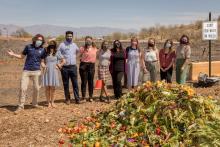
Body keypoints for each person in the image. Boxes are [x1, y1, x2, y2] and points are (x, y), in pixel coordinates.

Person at [7, 34, 46, 113]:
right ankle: (21, 106)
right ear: (35, 39)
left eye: (41, 40)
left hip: (37, 71)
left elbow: (42, 61)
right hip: (26, 71)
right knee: (23, 88)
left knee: (37, 89)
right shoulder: (28, 47)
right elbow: (21, 56)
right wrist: (13, 54)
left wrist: (44, 66)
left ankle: (34, 103)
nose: (39, 41)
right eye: (38, 39)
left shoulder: (43, 50)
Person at [57, 31, 80, 104]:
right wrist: (59, 64)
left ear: (72, 37)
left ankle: (77, 99)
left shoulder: (74, 44)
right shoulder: (62, 45)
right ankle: (67, 99)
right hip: (65, 68)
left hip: (73, 67)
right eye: (68, 36)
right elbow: (57, 54)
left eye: (70, 36)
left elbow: (78, 52)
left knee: (75, 83)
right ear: (65, 36)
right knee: (66, 83)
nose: (69, 37)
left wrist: (74, 57)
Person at [41, 40, 65, 108]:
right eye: (50, 45)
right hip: (47, 71)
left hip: (54, 71)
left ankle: (52, 102)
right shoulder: (45, 52)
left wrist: (59, 66)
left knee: (53, 88)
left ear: (55, 45)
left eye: (53, 45)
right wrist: (43, 66)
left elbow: (64, 60)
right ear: (48, 45)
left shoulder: (57, 52)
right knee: (47, 88)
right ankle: (48, 102)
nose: (51, 46)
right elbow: (42, 61)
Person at [79, 36, 97, 102]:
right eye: (87, 40)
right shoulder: (82, 48)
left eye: (89, 40)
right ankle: (83, 97)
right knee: (84, 82)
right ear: (85, 41)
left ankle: (90, 97)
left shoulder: (95, 48)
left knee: (91, 82)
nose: (88, 41)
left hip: (92, 66)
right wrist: (82, 60)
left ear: (92, 41)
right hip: (84, 66)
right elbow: (78, 56)